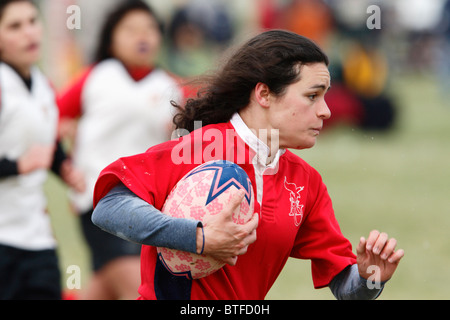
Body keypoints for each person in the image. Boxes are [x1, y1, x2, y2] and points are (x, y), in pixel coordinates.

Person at [91, 30, 404, 300]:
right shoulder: (200, 148)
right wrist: (197, 238)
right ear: (264, 94)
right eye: (312, 96)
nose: (326, 112)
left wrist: (370, 277)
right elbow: (110, 207)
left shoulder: (306, 182)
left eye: (325, 97)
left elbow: (345, 286)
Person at [57, 0, 183, 300]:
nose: (142, 37)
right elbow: (52, 116)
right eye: (130, 30)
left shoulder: (172, 88)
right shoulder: (96, 77)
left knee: (104, 287)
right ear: (111, 38)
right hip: (98, 199)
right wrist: (63, 160)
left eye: (150, 29)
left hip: (148, 205)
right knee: (139, 285)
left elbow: (188, 139)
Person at [0, 0, 84, 300]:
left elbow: (46, 146)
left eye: (33, 21)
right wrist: (16, 165)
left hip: (37, 239)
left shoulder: (42, 85)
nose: (29, 32)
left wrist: (66, 170)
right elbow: (26, 158)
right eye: (14, 26)